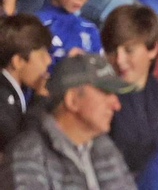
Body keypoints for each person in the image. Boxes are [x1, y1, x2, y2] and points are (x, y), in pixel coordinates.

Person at [0, 53, 136, 190]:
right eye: (106, 92)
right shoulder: (27, 155)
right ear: (72, 100)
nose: (116, 105)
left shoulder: (104, 146)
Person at [104, 4, 158, 174]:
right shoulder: (100, 98)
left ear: (153, 49)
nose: (119, 60)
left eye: (129, 50)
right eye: (112, 50)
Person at [0, 14, 52, 150]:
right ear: (18, 61)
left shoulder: (16, 92)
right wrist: (40, 100)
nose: (48, 60)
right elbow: (22, 148)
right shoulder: (3, 101)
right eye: (41, 55)